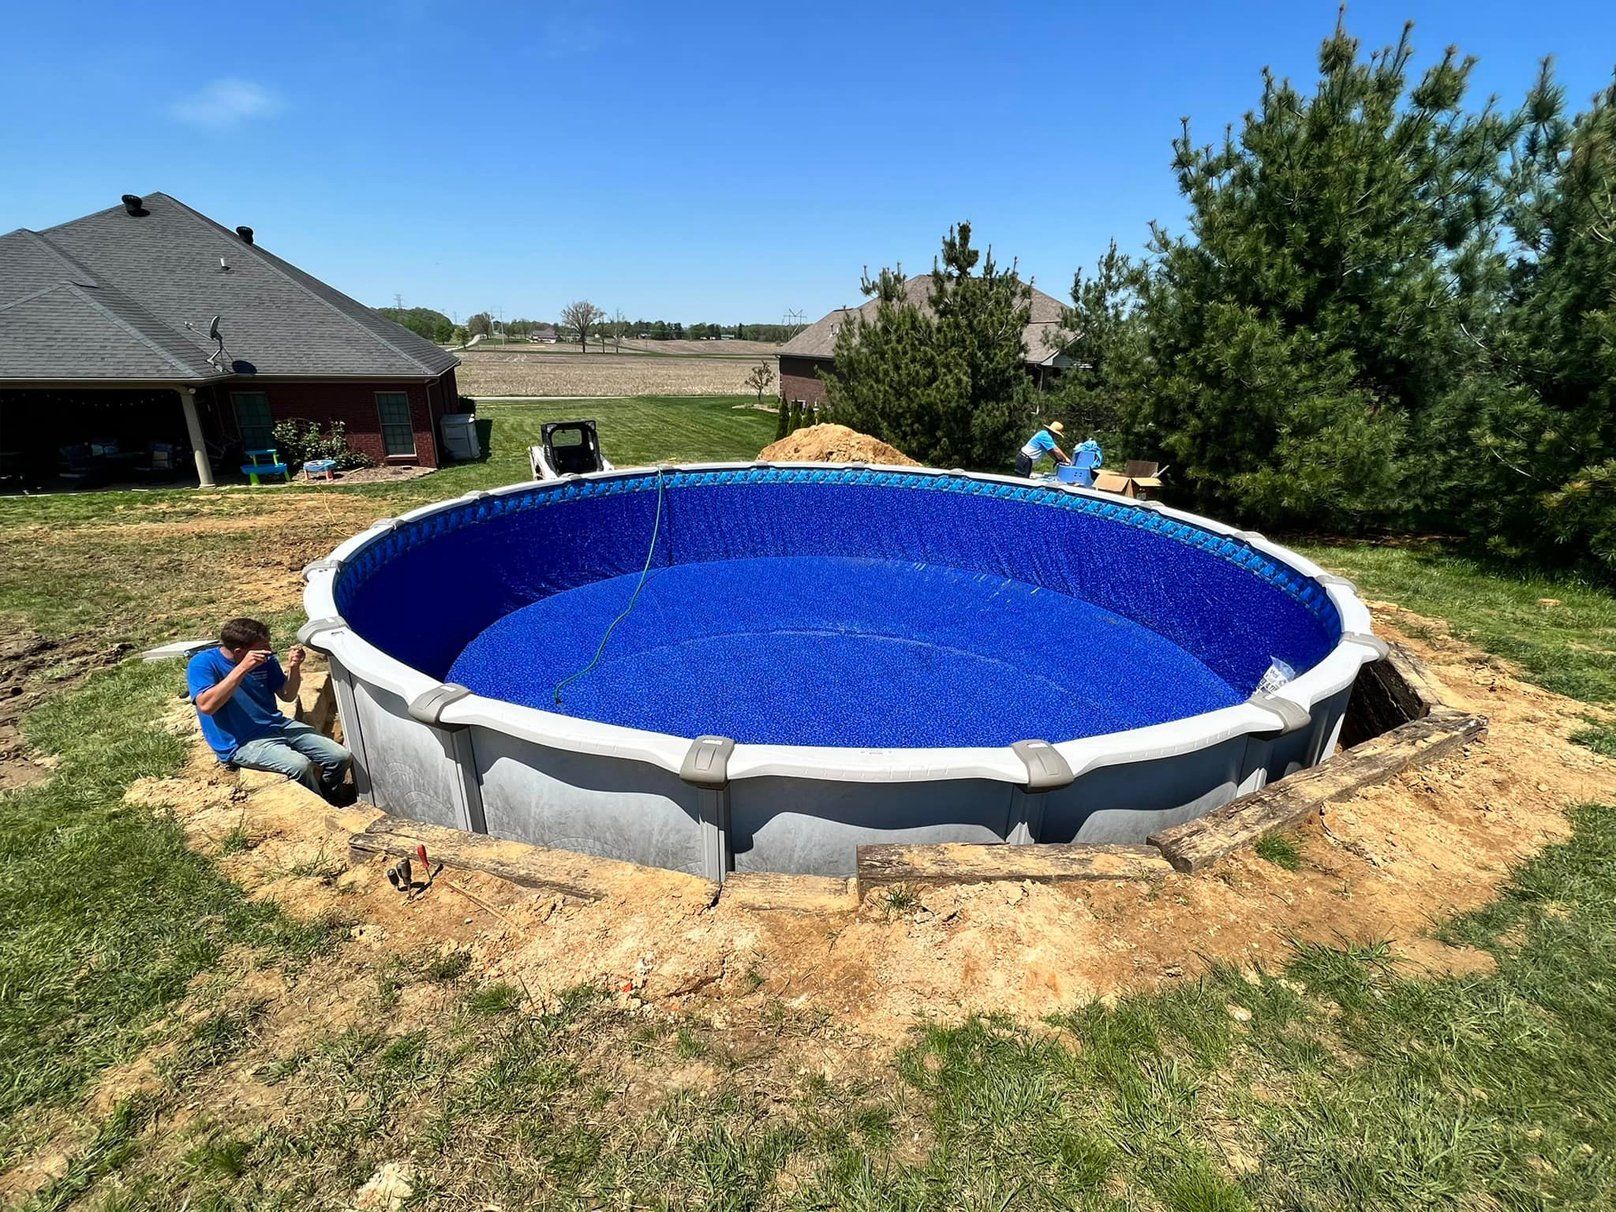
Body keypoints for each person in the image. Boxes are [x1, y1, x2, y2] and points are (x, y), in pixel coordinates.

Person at [188, 617, 353, 804]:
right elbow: (206, 706)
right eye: (262, 648)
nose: (268, 651)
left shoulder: (265, 660)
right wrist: (242, 668)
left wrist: (294, 667)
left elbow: (287, 695)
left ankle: (332, 795)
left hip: (275, 724)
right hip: (240, 741)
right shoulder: (203, 663)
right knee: (299, 766)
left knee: (340, 757)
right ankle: (321, 804)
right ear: (239, 651)